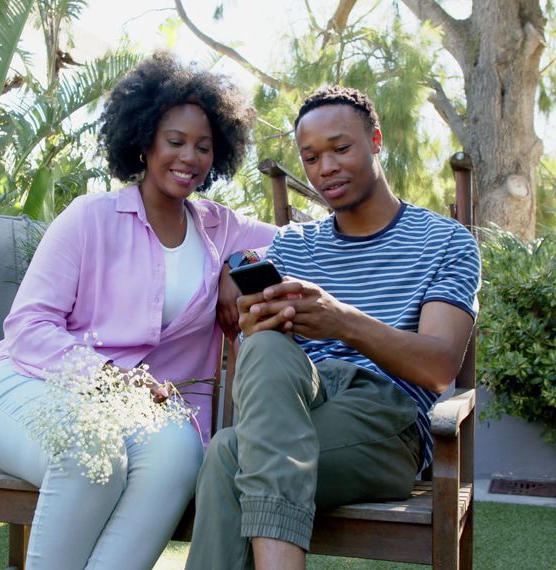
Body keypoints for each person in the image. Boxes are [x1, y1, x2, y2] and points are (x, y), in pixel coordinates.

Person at [0, 52, 276, 570]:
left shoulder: (220, 228)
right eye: (175, 141)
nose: (190, 158)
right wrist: (110, 378)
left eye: (204, 146)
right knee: (95, 455)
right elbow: (27, 327)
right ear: (143, 141)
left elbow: (306, 244)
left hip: (152, 415)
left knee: (179, 460)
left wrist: (237, 263)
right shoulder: (90, 217)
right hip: (35, 385)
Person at [185, 86, 481, 570]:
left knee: (227, 455)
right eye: (310, 157)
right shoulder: (294, 245)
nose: (326, 168)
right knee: (262, 351)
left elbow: (438, 365)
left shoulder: (444, 241)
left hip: (387, 419)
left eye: (340, 149)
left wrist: (342, 322)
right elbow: (260, 355)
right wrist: (254, 318)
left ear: (376, 140)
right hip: (305, 404)